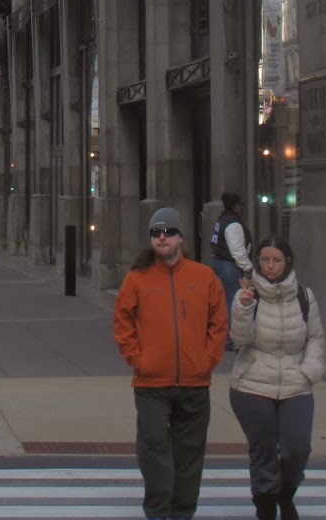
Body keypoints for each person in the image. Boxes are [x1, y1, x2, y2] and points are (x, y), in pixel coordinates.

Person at [112, 205, 228, 520]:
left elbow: (219, 322)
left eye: (168, 232)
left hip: (194, 380)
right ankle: (158, 507)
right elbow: (122, 321)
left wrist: (208, 360)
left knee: (189, 452)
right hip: (151, 382)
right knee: (153, 446)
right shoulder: (138, 278)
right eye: (156, 233)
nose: (162, 238)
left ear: (180, 237)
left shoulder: (203, 277)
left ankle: (182, 510)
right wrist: (137, 358)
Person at [229, 235, 325, 520]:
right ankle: (266, 505)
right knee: (264, 447)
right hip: (252, 382)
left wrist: (309, 370)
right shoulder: (247, 295)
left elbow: (316, 337)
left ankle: (286, 492)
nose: (270, 266)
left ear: (287, 262)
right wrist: (244, 307)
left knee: (297, 447)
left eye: (276, 260)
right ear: (257, 262)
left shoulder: (304, 297)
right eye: (265, 260)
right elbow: (239, 339)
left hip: (295, 381)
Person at [210, 191, 253, 337]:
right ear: (235, 206)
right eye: (240, 205)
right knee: (233, 301)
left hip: (220, 262)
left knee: (225, 301)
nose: (242, 208)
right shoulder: (233, 223)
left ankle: (225, 336)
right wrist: (248, 268)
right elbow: (237, 250)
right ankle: (229, 338)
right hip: (229, 265)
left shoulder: (223, 219)